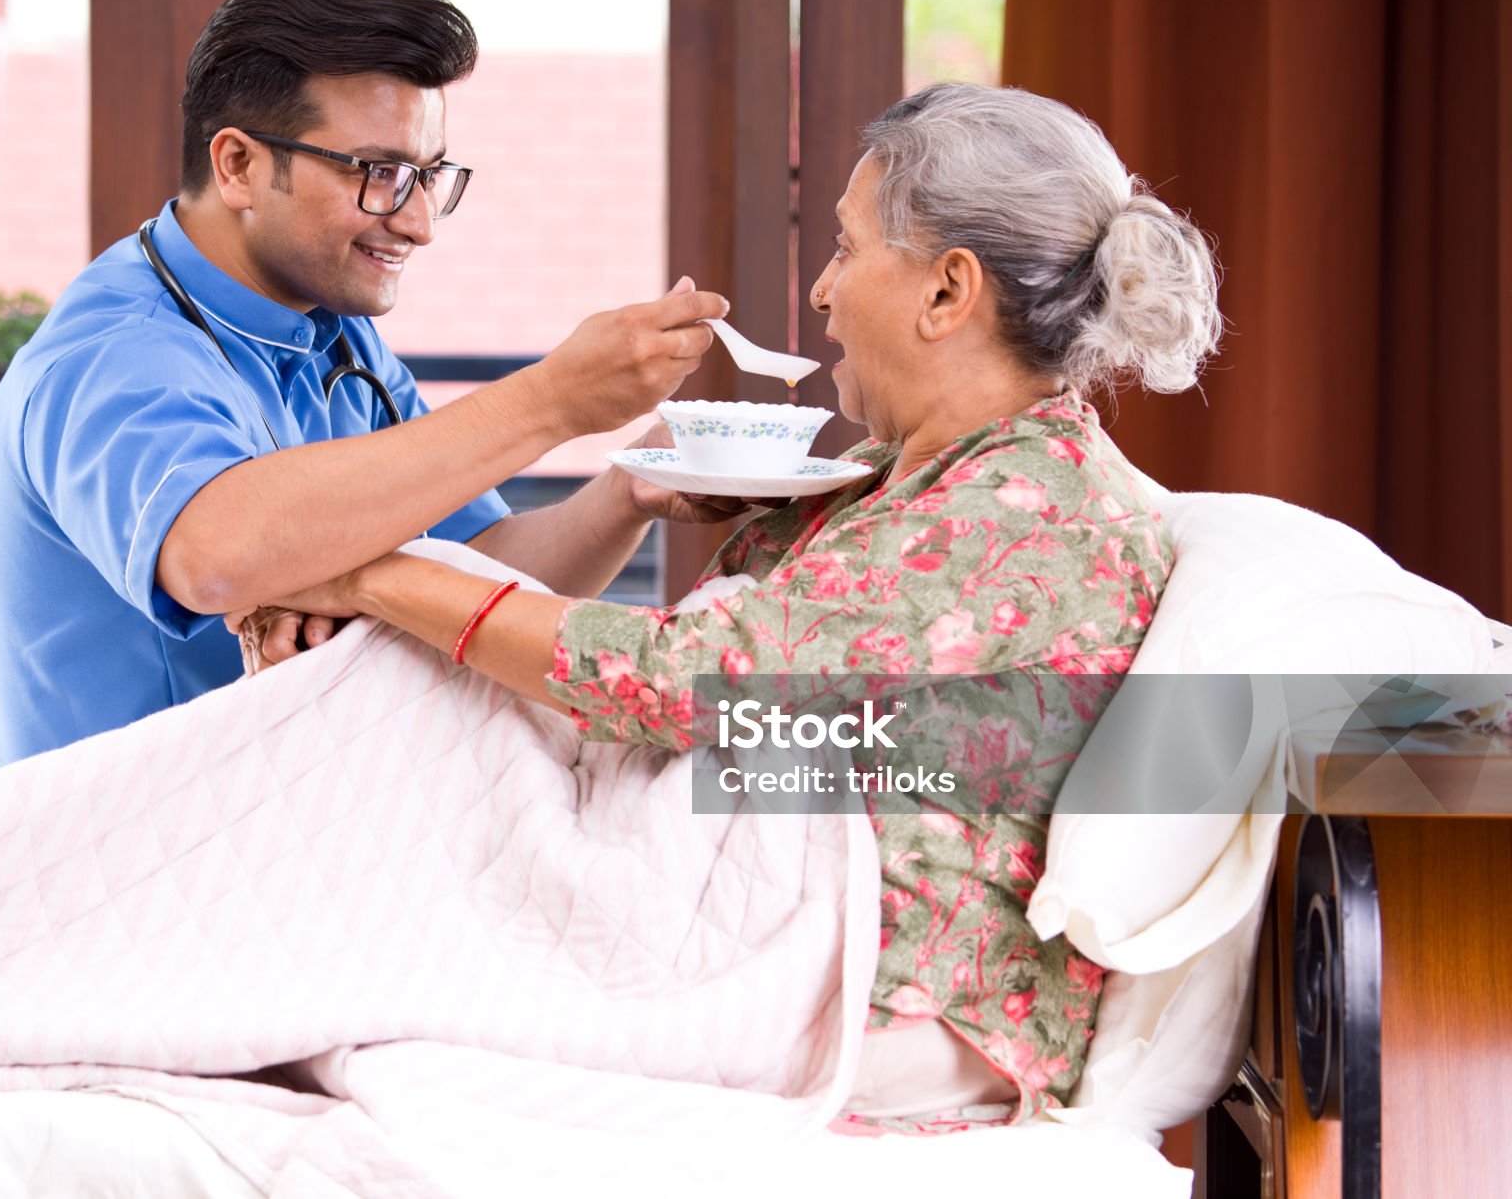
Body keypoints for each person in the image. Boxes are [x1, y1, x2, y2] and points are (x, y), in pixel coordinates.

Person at [255, 81, 1224, 1130]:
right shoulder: (923, 476)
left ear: (946, 292)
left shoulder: (1022, 508)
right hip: (809, 937)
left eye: (847, 251)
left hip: (894, 1000)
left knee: (356, 902)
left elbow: (681, 683)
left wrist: (366, 576)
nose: (817, 293)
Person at [0, 0, 738, 775]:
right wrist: (554, 400)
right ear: (237, 166)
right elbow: (215, 551)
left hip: (283, 834)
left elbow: (485, 565)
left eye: (430, 175)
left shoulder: (332, 336)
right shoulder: (111, 354)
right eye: (379, 173)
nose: (420, 222)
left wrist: (627, 491)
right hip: (108, 864)